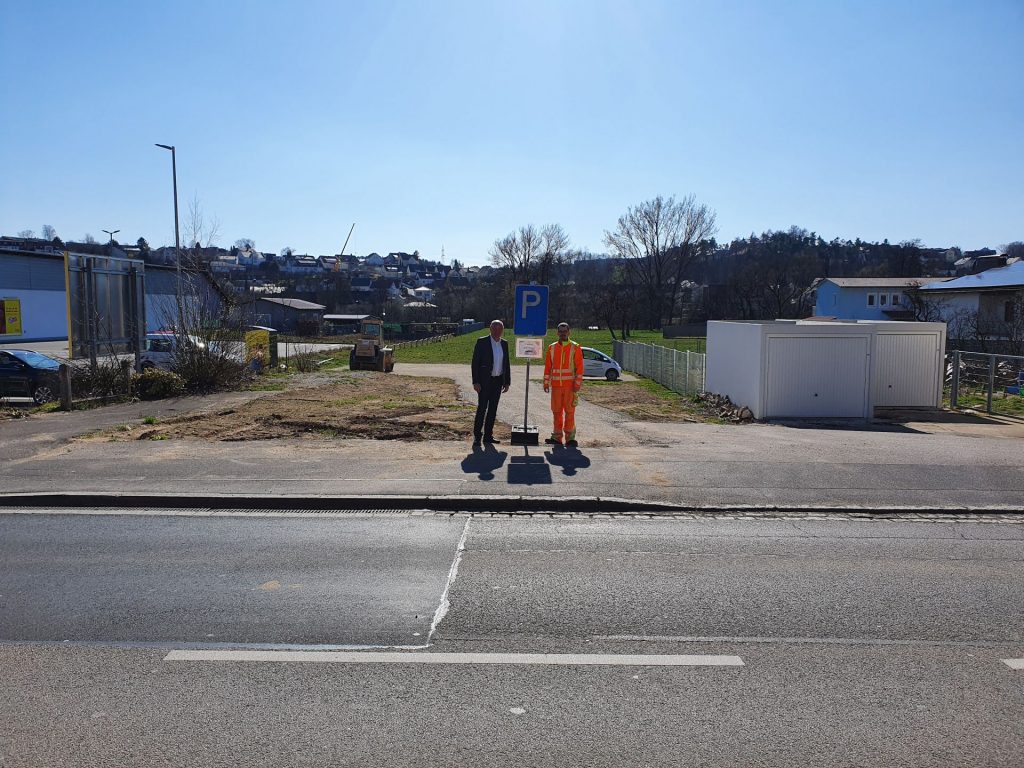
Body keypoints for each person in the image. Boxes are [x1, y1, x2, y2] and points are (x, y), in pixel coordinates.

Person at [543, 322, 584, 447]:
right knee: (556, 412)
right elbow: (548, 366)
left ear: (569, 332)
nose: (562, 333)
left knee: (570, 412)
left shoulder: (575, 347)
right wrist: (546, 382)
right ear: (557, 333)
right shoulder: (552, 347)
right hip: (556, 386)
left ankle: (570, 438)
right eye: (560, 331)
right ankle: (556, 437)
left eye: (564, 331)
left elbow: (580, 368)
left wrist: (577, 384)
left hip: (570, 386)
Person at [471, 319, 511, 446]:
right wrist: (475, 381)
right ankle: (477, 436)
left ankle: (488, 435)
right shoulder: (482, 342)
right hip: (484, 382)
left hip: (498, 381)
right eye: (495, 329)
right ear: (490, 329)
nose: (497, 331)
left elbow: (507, 364)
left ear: (502, 330)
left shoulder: (504, 344)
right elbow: (475, 363)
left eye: (500, 329)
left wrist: (507, 382)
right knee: (482, 408)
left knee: (493, 410)